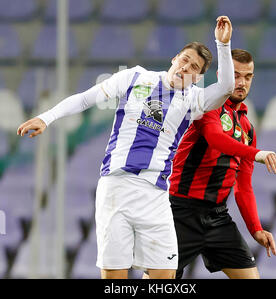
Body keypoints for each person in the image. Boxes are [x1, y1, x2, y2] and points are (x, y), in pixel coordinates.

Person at [17, 16, 236, 280]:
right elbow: (87, 98)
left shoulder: (194, 100)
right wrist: (47, 117)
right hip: (116, 187)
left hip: (155, 194)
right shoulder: (134, 77)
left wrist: (223, 46)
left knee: (164, 274)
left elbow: (226, 87)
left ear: (197, 78)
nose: (185, 67)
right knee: (114, 276)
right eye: (184, 59)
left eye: (194, 68)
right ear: (174, 59)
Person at [168, 48, 276, 279]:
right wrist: (256, 154)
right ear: (223, 76)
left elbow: (243, 186)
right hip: (180, 213)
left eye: (248, 77)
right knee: (159, 282)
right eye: (236, 75)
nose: (241, 83)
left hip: (217, 217)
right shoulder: (206, 106)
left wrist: (255, 228)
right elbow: (216, 139)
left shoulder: (247, 127)